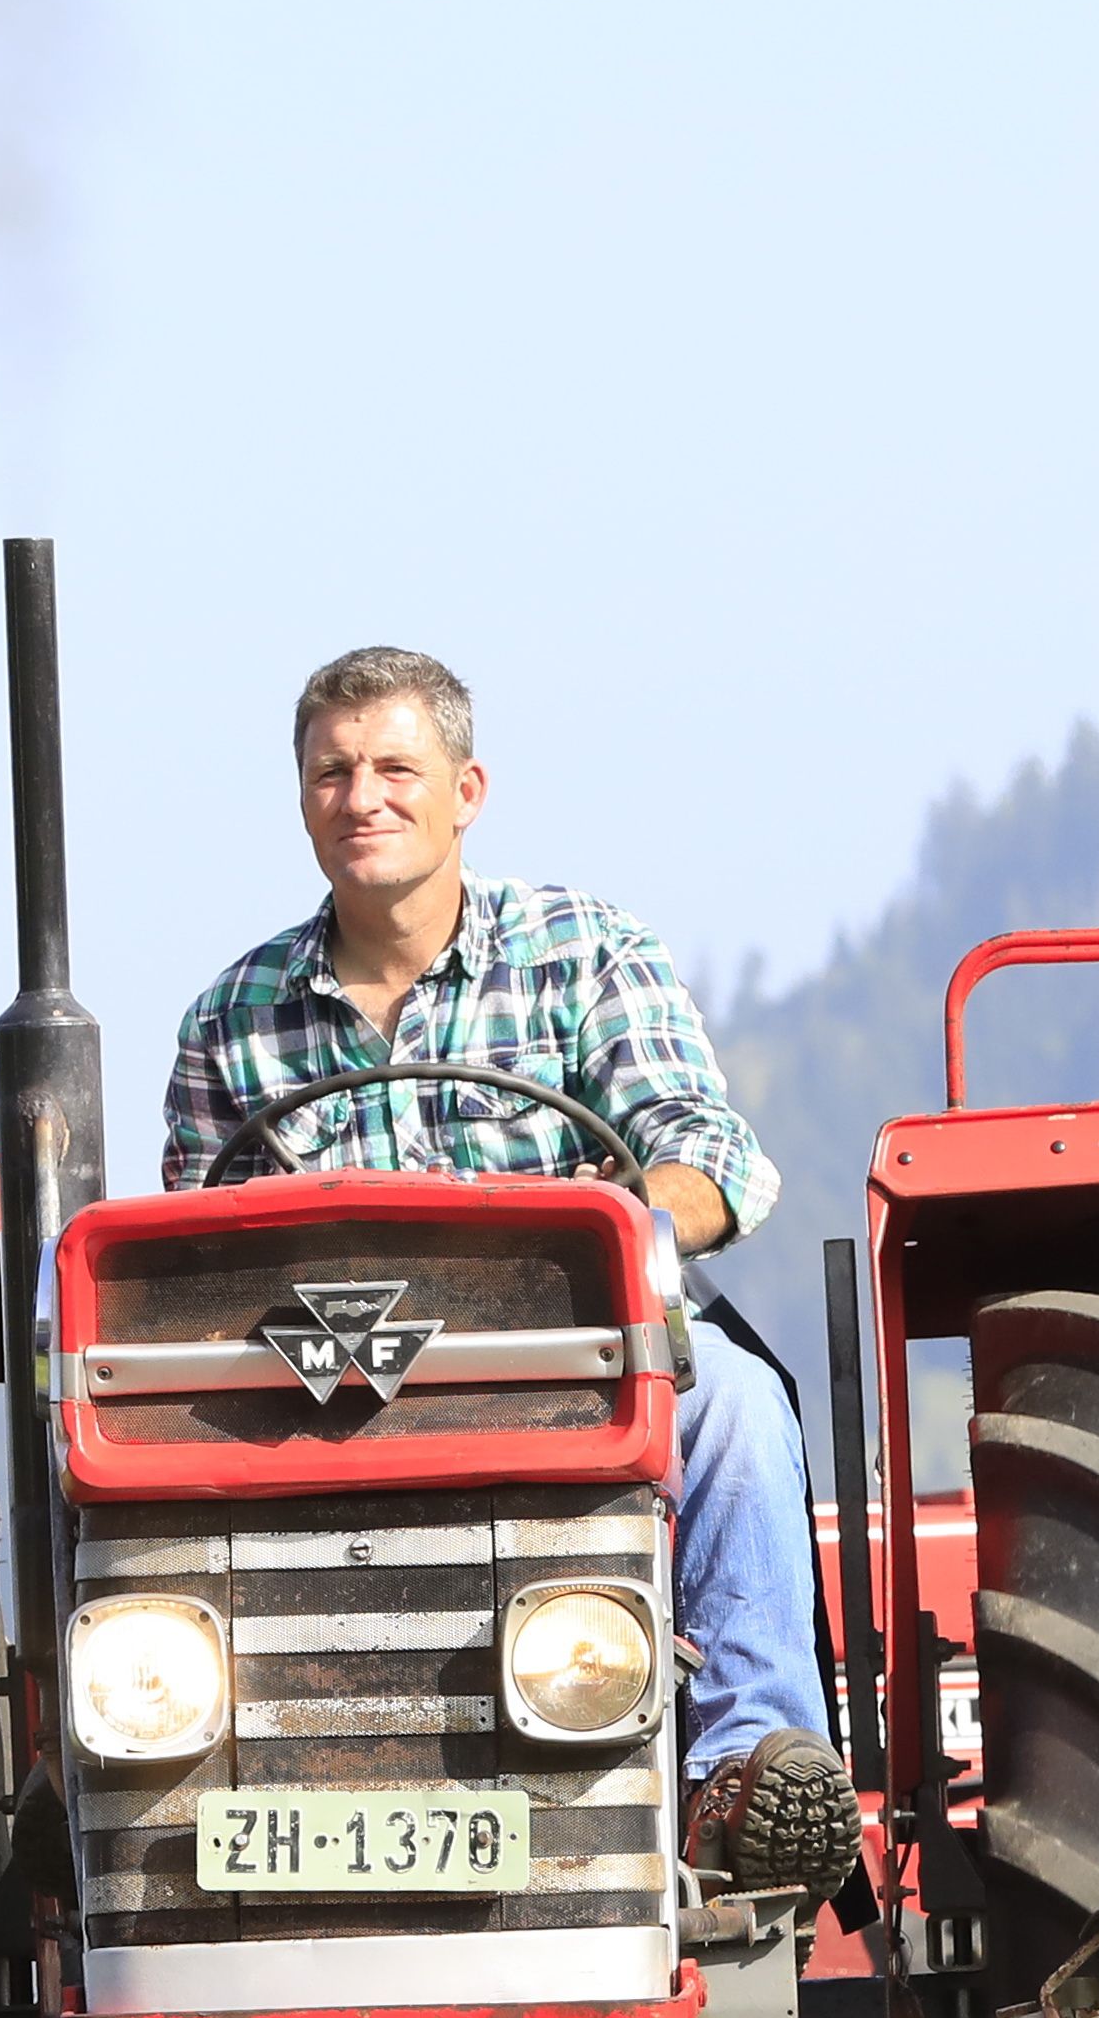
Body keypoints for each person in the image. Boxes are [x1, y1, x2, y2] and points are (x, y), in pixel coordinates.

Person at [158, 645, 857, 1894]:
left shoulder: (582, 952)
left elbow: (710, 1157)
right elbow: (195, 1256)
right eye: (331, 771)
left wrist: (596, 1228)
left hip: (570, 1367)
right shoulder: (234, 1015)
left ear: (466, 790)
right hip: (331, 1400)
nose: (360, 796)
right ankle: (136, 1765)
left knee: (736, 1405)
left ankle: (745, 1775)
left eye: (393, 767)